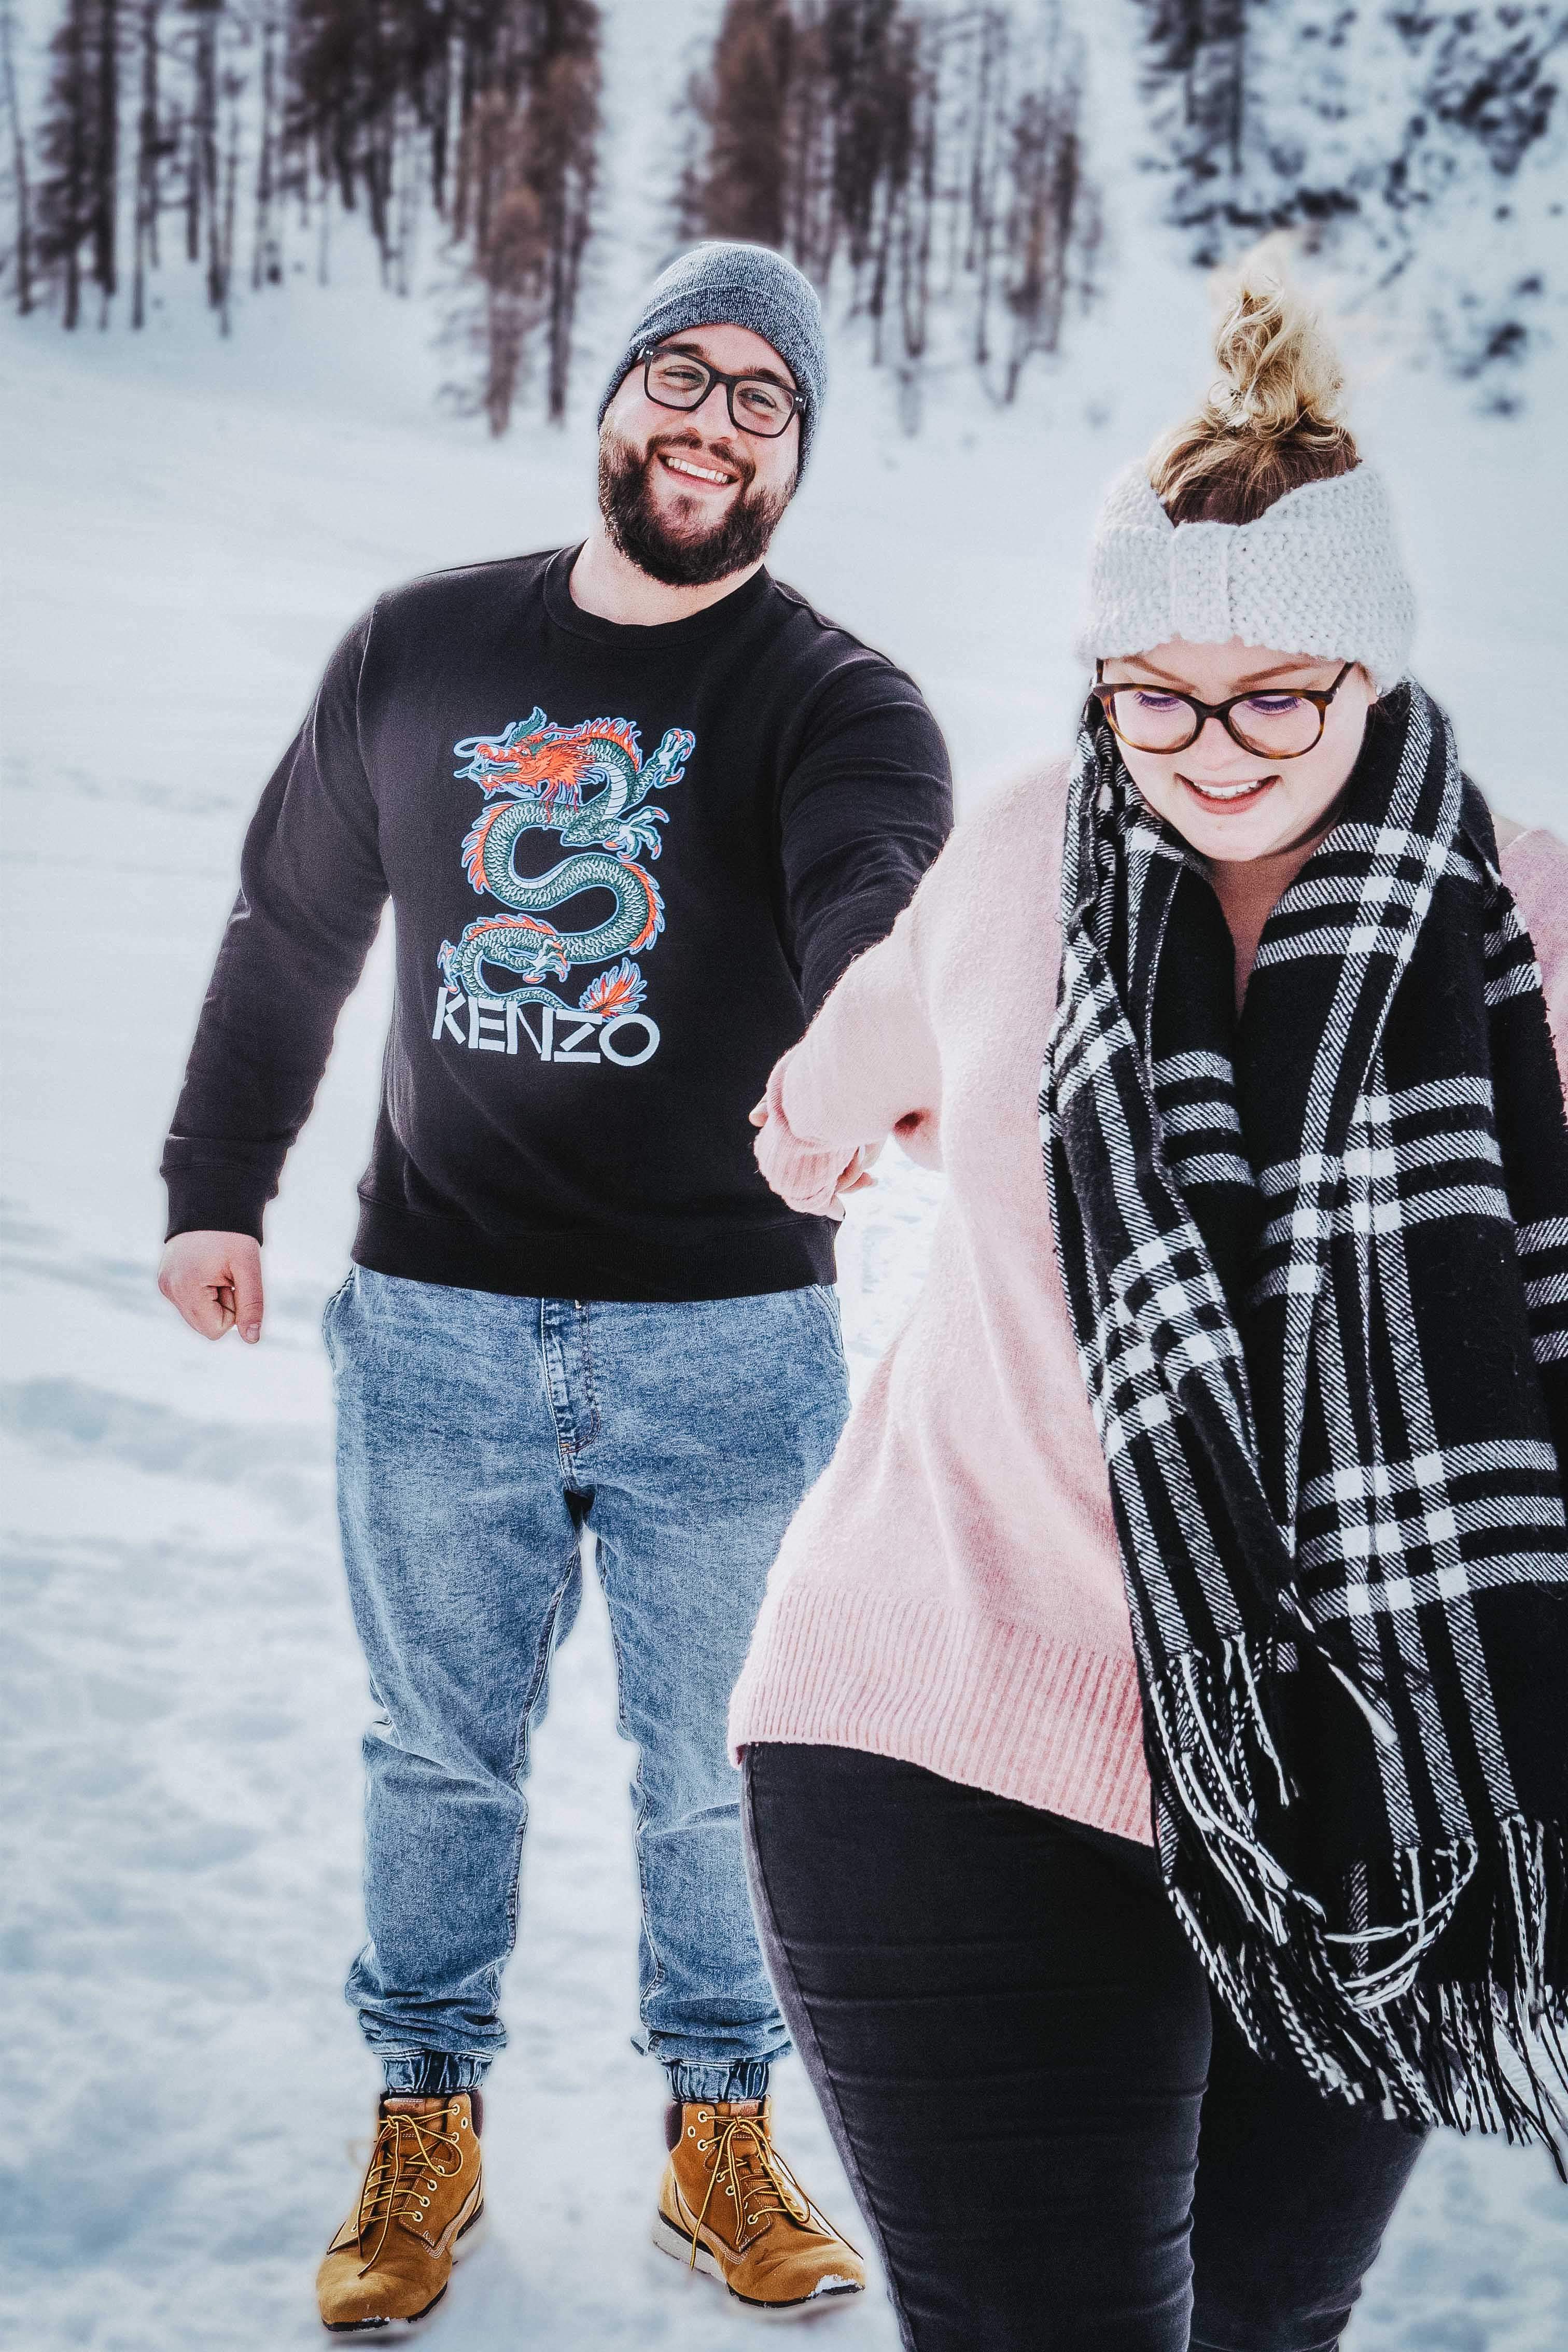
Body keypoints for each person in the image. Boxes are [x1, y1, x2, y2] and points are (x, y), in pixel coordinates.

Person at [735, 263, 1568, 2350]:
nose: (1208, 751)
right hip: (941, 1726)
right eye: (1150, 695)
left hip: (1349, 1783)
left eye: (1273, 695)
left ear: (1371, 671)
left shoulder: (1530, 917)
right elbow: (811, 1107)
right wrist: (863, 1148)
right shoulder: (1020, 855)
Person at [156, 240, 952, 2331]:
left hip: (734, 1346)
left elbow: (878, 887)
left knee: (723, 1773)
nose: (714, 421)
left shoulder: (839, 698)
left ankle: (721, 2132)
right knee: (439, 1753)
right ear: (609, 401)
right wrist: (215, 1184)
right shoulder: (418, 653)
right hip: (436, 1322)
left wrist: (884, 1029)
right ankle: (424, 2121)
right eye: (682, 376)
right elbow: (285, 929)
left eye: (763, 400)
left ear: (796, 459)